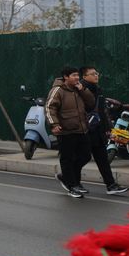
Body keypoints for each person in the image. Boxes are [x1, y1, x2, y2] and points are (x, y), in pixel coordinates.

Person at [46, 66, 96, 198]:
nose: (76, 78)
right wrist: (54, 124)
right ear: (66, 77)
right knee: (67, 159)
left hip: (81, 129)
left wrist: (83, 90)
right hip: (66, 131)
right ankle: (72, 186)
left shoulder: (79, 89)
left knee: (85, 156)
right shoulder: (58, 90)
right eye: (73, 75)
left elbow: (91, 103)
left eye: (77, 75)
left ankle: (67, 177)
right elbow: (49, 108)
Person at [78, 66, 128, 195]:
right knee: (83, 157)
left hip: (98, 130)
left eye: (97, 73)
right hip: (86, 130)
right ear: (84, 76)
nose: (96, 76)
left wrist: (109, 128)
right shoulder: (81, 90)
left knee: (103, 159)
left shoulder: (97, 89)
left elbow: (102, 111)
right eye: (93, 74)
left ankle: (111, 185)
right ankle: (68, 177)